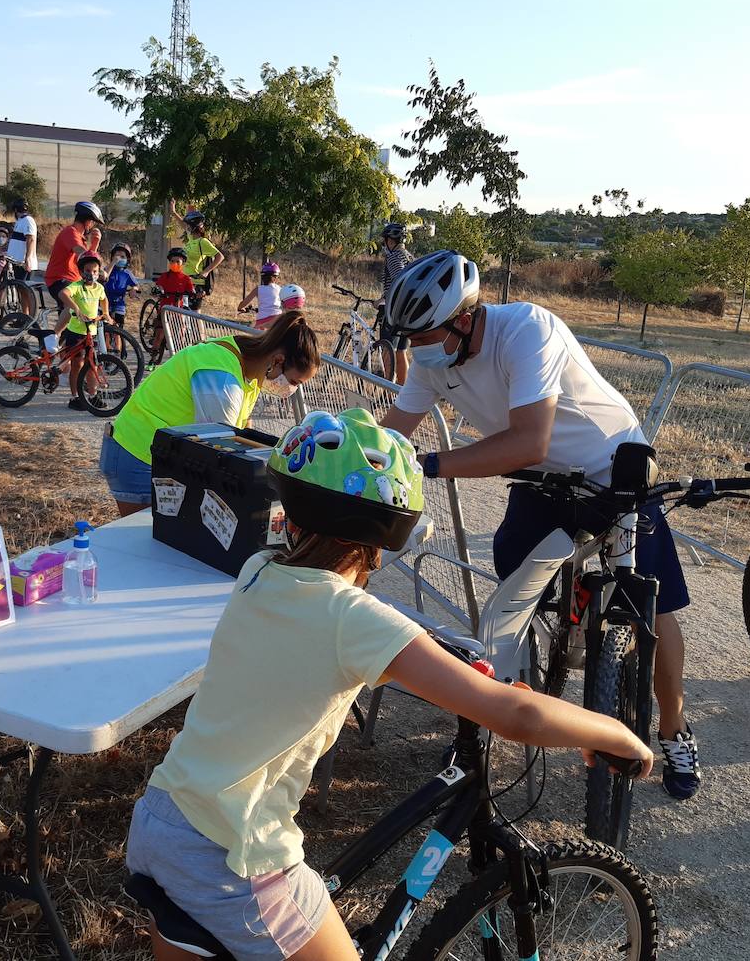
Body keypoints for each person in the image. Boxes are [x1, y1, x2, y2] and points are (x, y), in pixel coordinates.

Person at [125, 407, 653, 960]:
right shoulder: (353, 621)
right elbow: (514, 715)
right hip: (234, 855)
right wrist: (614, 730)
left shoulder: (259, 570)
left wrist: (436, 656)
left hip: (163, 818)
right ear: (383, 541)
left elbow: (332, 630)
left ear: (294, 515)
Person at [380, 249, 702, 800]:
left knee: (653, 605)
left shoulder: (526, 329)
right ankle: (493, 704)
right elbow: (390, 433)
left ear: (463, 319)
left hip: (611, 464)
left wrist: (430, 464)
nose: (415, 353)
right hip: (539, 477)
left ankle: (673, 726)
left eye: (424, 339)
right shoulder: (437, 361)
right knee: (511, 589)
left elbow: (530, 439)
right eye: (406, 340)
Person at [103, 311, 320, 517]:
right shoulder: (222, 378)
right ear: (278, 360)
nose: (290, 390)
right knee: (147, 544)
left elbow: (241, 435)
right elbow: (219, 452)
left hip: (159, 454)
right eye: (293, 382)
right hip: (137, 452)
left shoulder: (250, 371)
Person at [60, 251, 112, 411]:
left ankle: (92, 395)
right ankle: (75, 397)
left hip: (92, 332)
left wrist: (106, 314)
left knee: (92, 365)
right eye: (88, 271)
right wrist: (76, 309)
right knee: (77, 365)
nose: (91, 274)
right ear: (81, 271)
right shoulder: (76, 286)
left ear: (99, 272)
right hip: (76, 332)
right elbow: (63, 294)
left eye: (95, 271)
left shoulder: (99, 288)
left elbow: (104, 299)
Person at [46, 200, 104, 320]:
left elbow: (87, 261)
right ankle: (54, 336)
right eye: (93, 222)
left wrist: (95, 243)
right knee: (74, 307)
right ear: (87, 221)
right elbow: (82, 254)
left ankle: (67, 337)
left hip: (73, 280)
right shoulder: (70, 232)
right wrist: (101, 270)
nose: (92, 225)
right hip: (59, 280)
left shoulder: (80, 237)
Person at [378, 222, 414, 384]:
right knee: (401, 351)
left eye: (385, 240)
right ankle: (400, 388)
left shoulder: (393, 257)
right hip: (408, 311)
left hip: (395, 310)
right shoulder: (408, 256)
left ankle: (387, 388)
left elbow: (399, 281)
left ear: (390, 241)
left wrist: (383, 298)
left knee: (387, 349)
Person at [169, 204, 223, 310]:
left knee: (195, 317)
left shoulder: (202, 242)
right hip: (185, 281)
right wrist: (174, 212)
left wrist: (206, 271)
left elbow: (220, 257)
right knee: (182, 313)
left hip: (196, 284)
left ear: (194, 227)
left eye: (189, 225)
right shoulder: (191, 238)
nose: (186, 227)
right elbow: (183, 225)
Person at [150, 248, 197, 355]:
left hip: (178, 310)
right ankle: (152, 358)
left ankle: (178, 357)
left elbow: (191, 290)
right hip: (164, 309)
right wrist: (159, 290)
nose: (174, 264)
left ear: (183, 263)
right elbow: (159, 286)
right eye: (172, 261)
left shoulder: (186, 279)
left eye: (177, 262)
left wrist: (195, 293)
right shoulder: (164, 276)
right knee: (159, 335)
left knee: (181, 333)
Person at [103, 243, 139, 351]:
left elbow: (136, 285)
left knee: (118, 326)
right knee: (106, 327)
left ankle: (118, 350)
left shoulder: (127, 273)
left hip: (119, 302)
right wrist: (113, 263)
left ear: (127, 259)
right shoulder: (108, 269)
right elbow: (104, 276)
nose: (119, 259)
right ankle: (107, 349)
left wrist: (134, 290)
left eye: (122, 257)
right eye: (116, 256)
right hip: (105, 301)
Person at [238, 261, 283, 329]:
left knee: (253, 333)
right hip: (278, 320)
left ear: (262, 276)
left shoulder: (258, 289)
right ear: (275, 277)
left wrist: (240, 308)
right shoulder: (280, 289)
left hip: (262, 321)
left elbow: (244, 303)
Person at [4, 197, 38, 278]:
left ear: (15, 210)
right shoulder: (20, 221)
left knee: (23, 289)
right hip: (15, 262)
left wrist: (27, 258)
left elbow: (31, 239)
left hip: (23, 263)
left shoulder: (28, 220)